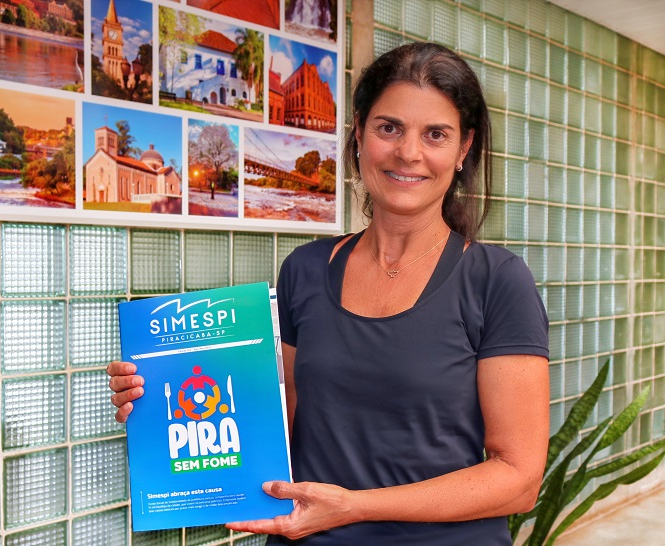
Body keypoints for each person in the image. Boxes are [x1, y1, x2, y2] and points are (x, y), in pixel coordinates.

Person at [108, 42, 549, 545]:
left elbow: (519, 480)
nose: (409, 152)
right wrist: (161, 401)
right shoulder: (305, 270)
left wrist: (354, 508)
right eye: (389, 128)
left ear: (463, 148)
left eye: (436, 134)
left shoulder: (498, 281)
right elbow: (279, 424)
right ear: (359, 133)